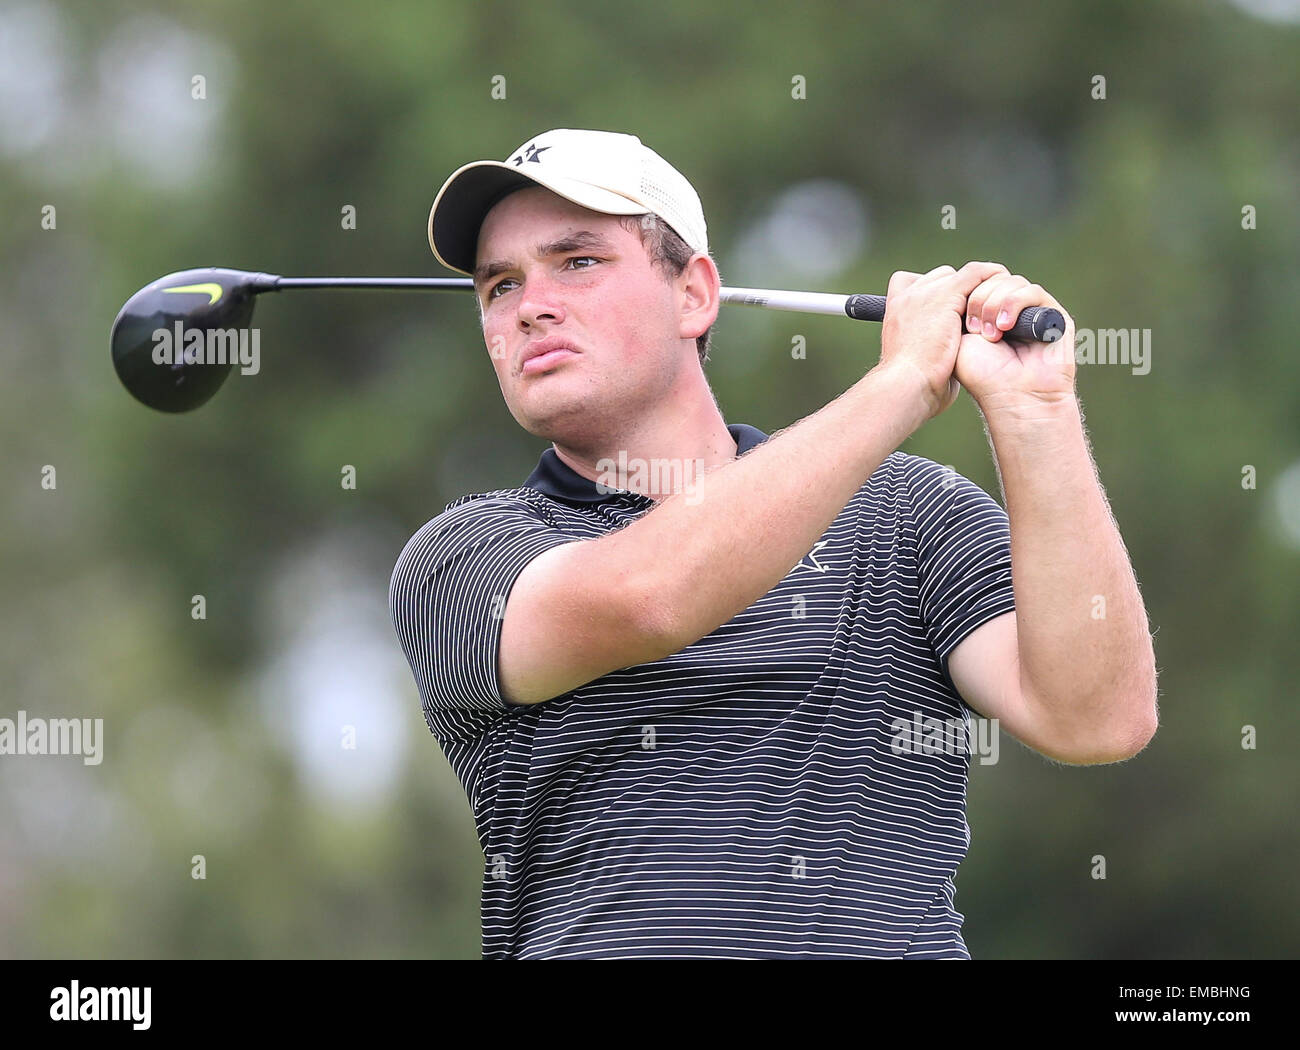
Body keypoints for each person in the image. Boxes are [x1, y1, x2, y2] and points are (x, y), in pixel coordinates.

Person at [389, 128, 1159, 959]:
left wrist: (1035, 413)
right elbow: (652, 598)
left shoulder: (909, 513)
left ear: (694, 294)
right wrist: (902, 382)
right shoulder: (462, 556)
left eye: (577, 262)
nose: (530, 304)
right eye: (499, 286)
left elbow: (1097, 718)